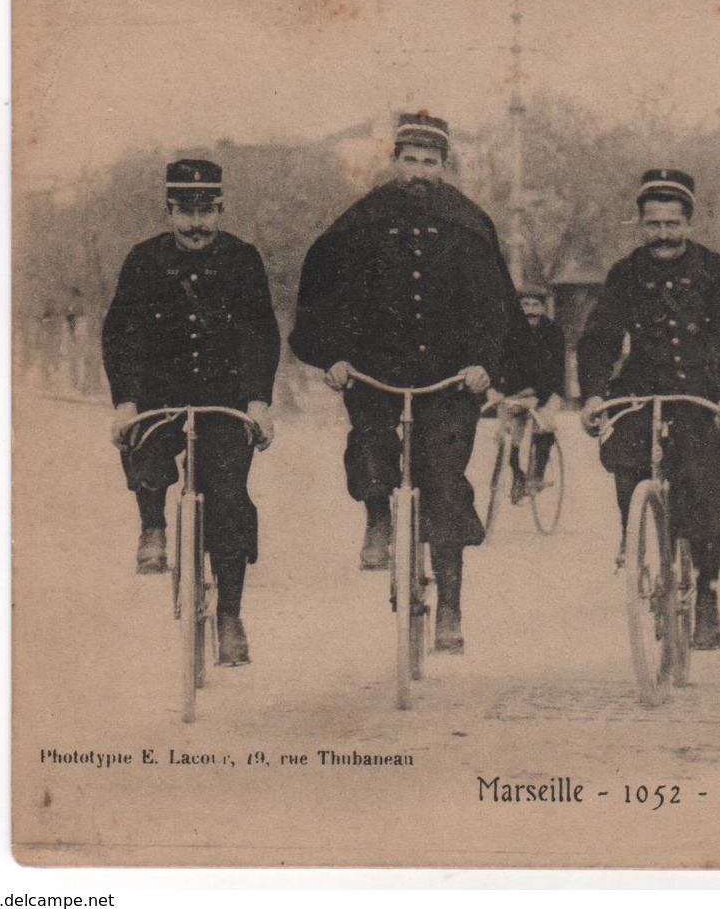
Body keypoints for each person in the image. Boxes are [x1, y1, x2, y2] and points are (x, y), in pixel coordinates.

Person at [288, 112, 531, 654]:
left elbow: (497, 309)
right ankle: (377, 515)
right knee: (371, 442)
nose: (419, 171)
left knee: (445, 482)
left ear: (445, 168)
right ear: (393, 162)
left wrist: (486, 364)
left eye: (430, 162)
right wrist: (332, 358)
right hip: (376, 374)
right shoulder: (359, 222)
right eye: (409, 160)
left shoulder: (471, 224)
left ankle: (450, 605)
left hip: (450, 381)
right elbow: (322, 295)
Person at [103, 159, 279, 666]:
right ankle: (153, 527)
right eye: (186, 211)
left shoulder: (244, 260)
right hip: (160, 396)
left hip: (224, 399)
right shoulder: (142, 261)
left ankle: (230, 615)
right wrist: (126, 403)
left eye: (206, 211)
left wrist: (258, 404)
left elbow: (260, 334)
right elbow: (121, 336)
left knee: (228, 500)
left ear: (221, 211)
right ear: (169, 212)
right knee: (144, 446)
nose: (197, 223)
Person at [577, 169, 720, 651]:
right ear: (639, 225)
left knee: (703, 490)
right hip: (641, 387)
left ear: (689, 223)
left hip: (700, 394)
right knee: (625, 459)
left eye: (672, 224)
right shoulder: (625, 273)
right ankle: (633, 532)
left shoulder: (714, 270)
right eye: (653, 224)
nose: (663, 234)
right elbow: (599, 336)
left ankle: (706, 593)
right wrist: (595, 394)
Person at [504, 287, 566, 504]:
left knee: (545, 423)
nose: (530, 310)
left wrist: (538, 395)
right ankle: (517, 476)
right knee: (509, 434)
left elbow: (556, 370)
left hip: (548, 390)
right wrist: (514, 393)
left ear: (543, 307)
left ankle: (537, 474)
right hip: (519, 390)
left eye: (535, 305)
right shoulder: (510, 330)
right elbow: (506, 365)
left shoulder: (554, 332)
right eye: (525, 305)